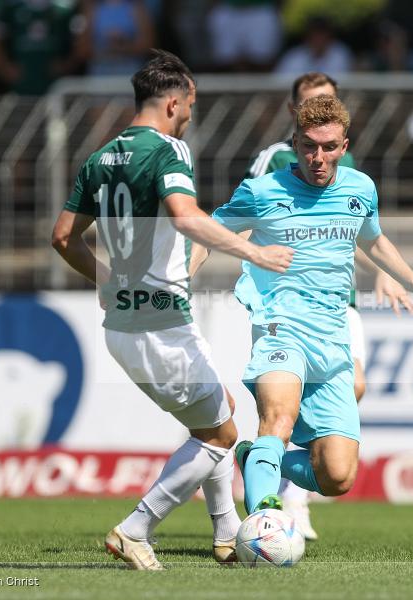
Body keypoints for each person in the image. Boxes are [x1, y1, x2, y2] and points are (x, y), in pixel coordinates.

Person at [51, 49, 293, 570]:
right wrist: (253, 251)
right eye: (189, 106)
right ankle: (136, 528)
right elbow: (185, 217)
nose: (189, 116)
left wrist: (106, 277)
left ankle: (227, 532)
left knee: (217, 412)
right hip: (161, 324)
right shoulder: (168, 150)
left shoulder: (99, 157)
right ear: (172, 103)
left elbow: (63, 237)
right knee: (223, 434)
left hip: (124, 323)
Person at [198, 95, 413, 517]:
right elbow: (209, 232)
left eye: (329, 147)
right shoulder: (262, 191)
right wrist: (182, 277)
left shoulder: (360, 189)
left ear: (344, 146)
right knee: (277, 420)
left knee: (337, 476)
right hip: (280, 326)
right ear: (294, 143)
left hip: (333, 337)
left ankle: (253, 458)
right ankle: (264, 521)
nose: (318, 157)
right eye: (309, 146)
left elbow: (373, 239)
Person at [244, 71, 410, 540]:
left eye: (330, 103)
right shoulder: (276, 160)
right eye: (312, 104)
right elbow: (256, 220)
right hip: (289, 310)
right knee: (283, 411)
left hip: (341, 306)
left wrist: (385, 268)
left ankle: (289, 486)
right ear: (294, 115)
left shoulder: (347, 165)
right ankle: (275, 504)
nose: (322, 113)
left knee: (353, 387)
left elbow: (351, 231)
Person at [0, 0, 89, 95]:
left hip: (54, 88)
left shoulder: (66, 10)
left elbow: (81, 44)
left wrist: (67, 65)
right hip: (21, 88)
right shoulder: (10, 9)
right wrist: (4, 68)